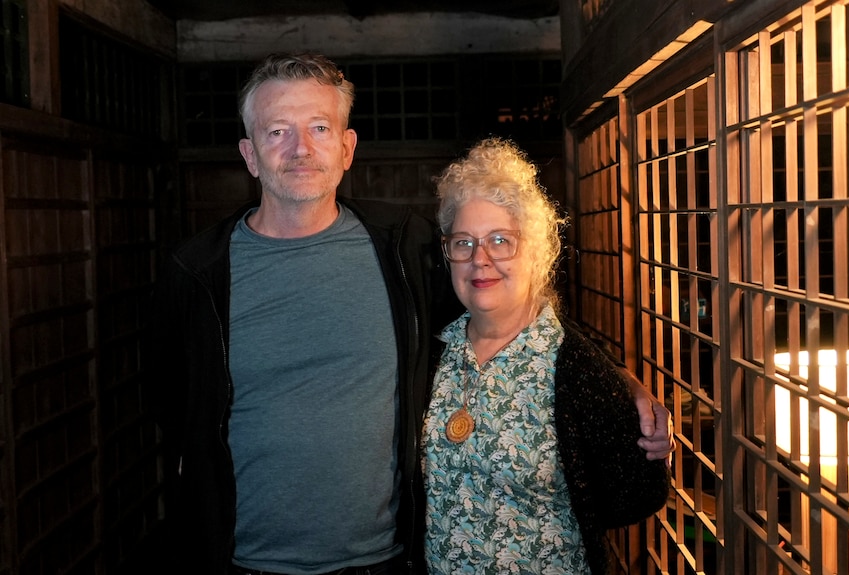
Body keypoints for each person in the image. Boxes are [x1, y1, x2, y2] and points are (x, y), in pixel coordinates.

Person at [150, 53, 673, 575]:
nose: (300, 148)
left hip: (386, 562)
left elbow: (505, 310)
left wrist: (615, 381)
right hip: (243, 563)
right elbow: (174, 414)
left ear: (347, 146)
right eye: (277, 131)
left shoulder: (404, 247)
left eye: (319, 127)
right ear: (249, 153)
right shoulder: (196, 272)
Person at [422, 137, 671, 575]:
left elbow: (636, 496)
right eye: (463, 243)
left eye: (501, 241)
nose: (480, 259)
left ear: (536, 251)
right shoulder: (432, 353)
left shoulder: (576, 367)